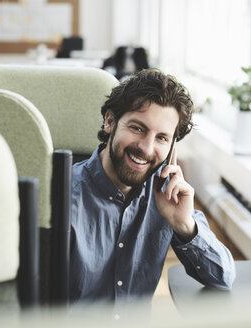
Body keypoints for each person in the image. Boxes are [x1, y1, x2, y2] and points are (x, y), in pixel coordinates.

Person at [70, 69, 236, 312]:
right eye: (137, 128)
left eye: (161, 138)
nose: (146, 148)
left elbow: (223, 277)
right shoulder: (62, 195)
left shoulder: (166, 194)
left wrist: (184, 225)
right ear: (110, 121)